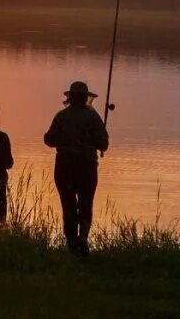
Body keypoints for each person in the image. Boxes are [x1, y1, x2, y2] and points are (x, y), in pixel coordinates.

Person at [43, 81, 109, 255]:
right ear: (86, 97)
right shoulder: (94, 117)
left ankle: (72, 243)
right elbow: (104, 144)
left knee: (68, 205)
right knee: (86, 204)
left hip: (64, 167)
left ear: (70, 97)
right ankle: (83, 239)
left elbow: (49, 140)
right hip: (87, 167)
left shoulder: (61, 116)